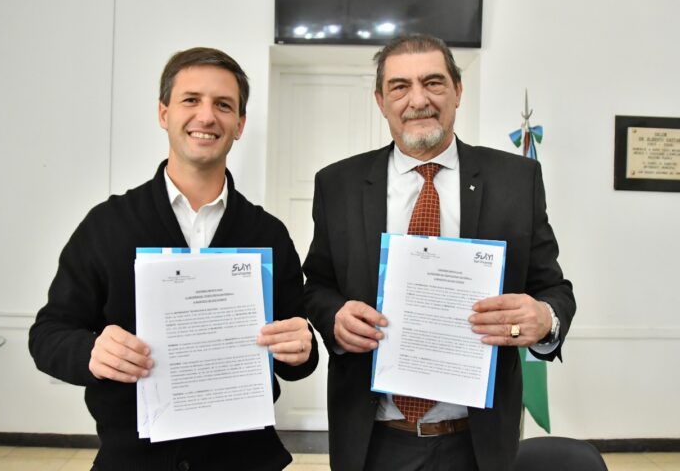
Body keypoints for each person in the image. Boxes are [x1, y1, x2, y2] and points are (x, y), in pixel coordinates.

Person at [29, 47, 318, 471]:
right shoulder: (107, 224)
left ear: (239, 125)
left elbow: (296, 356)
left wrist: (302, 349)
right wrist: (90, 350)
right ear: (164, 113)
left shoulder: (268, 234)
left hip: (244, 461)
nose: (206, 116)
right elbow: (47, 334)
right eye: (191, 100)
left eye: (223, 105)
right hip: (133, 460)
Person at [303, 35, 575, 471]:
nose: (418, 100)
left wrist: (545, 319)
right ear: (380, 99)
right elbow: (316, 285)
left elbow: (553, 288)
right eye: (399, 86)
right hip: (372, 439)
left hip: (477, 443)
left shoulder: (516, 180)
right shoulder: (338, 184)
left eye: (433, 83)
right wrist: (334, 318)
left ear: (458, 91)